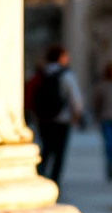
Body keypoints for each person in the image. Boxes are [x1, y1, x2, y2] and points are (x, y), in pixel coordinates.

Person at [33, 45, 83, 184]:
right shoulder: (66, 74)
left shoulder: (40, 73)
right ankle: (55, 181)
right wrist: (77, 113)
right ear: (60, 57)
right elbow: (74, 96)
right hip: (62, 118)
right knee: (59, 153)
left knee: (45, 150)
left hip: (43, 117)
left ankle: (39, 176)